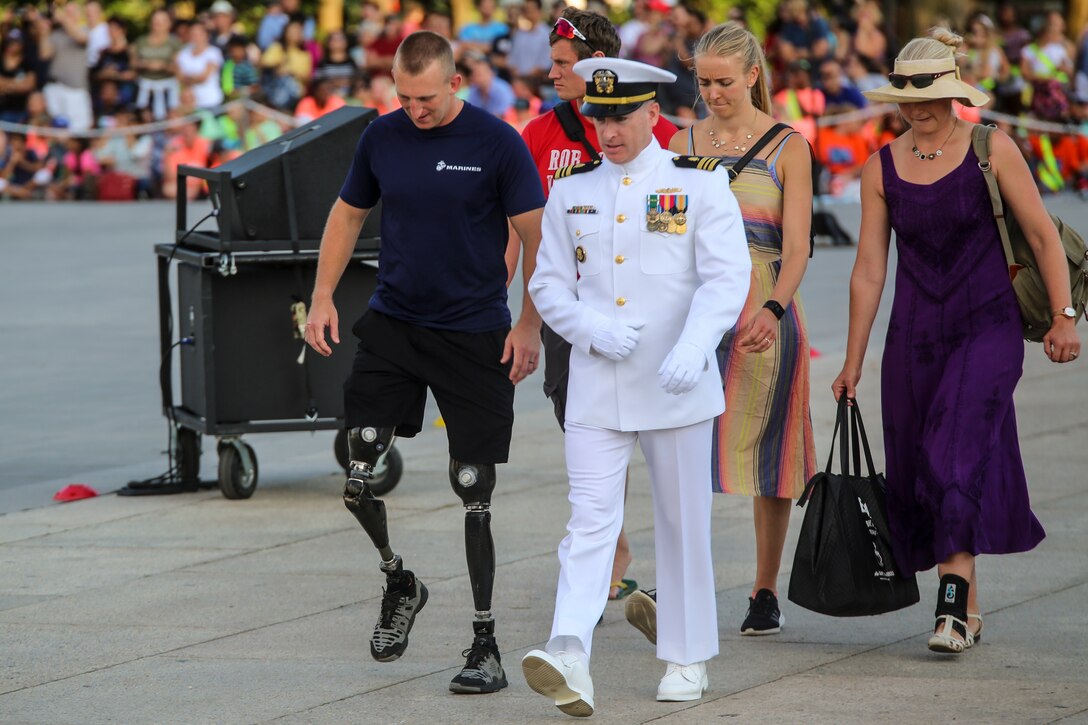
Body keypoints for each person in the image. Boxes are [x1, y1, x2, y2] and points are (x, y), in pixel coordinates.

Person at [303, 30, 544, 694]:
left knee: (473, 487)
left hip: (474, 334)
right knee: (357, 472)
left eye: (427, 98)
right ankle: (400, 579)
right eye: (404, 98)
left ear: (455, 83)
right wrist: (323, 296)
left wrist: (529, 321)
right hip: (396, 325)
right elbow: (348, 215)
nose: (416, 110)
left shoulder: (497, 143)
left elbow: (539, 237)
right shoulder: (382, 137)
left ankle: (486, 643)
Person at [832, 28, 1081, 655]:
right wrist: (852, 362)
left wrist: (1065, 316)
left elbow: (1043, 237)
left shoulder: (991, 148)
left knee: (952, 452)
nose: (918, 109)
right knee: (922, 469)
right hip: (912, 336)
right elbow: (868, 269)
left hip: (988, 326)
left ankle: (948, 605)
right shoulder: (879, 166)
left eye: (930, 96)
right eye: (907, 98)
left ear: (953, 93)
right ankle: (967, 607)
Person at [522, 57, 751, 715]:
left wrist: (695, 343)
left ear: (654, 113)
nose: (608, 129)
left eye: (621, 115)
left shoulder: (699, 186)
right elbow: (545, 283)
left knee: (683, 523)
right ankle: (568, 648)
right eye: (599, 117)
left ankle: (686, 654)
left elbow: (725, 277)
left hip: (676, 381)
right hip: (599, 381)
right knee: (590, 518)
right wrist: (588, 327)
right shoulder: (571, 192)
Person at [622, 20, 817, 646]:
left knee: (771, 451)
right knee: (683, 449)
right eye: (703, 82)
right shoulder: (680, 140)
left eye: (724, 81)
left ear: (754, 75)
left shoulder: (790, 145)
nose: (712, 93)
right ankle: (681, 584)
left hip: (763, 304)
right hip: (692, 310)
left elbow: (800, 246)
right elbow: (661, 230)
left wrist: (776, 308)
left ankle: (765, 589)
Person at [515, 7, 679, 603]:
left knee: (657, 439)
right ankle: (611, 550)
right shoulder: (538, 135)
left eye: (563, 64)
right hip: (570, 318)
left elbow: (677, 224)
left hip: (644, 314)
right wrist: (520, 322)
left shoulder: (657, 134)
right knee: (582, 432)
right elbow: (523, 238)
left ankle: (663, 574)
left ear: (599, 66)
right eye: (552, 62)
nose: (552, 73)